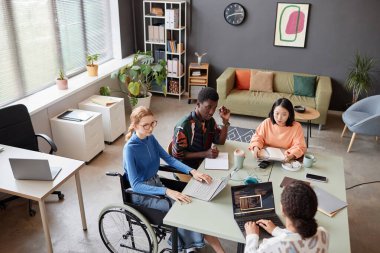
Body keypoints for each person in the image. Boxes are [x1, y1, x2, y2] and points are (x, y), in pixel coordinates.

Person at [123, 106, 225, 253]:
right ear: (135, 125)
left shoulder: (150, 138)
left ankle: (202, 245)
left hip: (157, 184)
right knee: (182, 207)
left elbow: (169, 159)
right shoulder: (130, 149)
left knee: (191, 201)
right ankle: (188, 245)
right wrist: (167, 191)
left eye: (153, 123)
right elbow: (136, 185)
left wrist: (192, 172)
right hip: (142, 195)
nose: (150, 129)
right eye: (145, 125)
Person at [244, 181, 329, 253]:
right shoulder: (323, 233)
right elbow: (296, 240)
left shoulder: (271, 246)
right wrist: (276, 231)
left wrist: (252, 236)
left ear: (283, 210)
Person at [172, 87, 231, 168]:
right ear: (198, 104)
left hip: (205, 162)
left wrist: (225, 122)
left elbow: (220, 141)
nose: (212, 112)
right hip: (187, 168)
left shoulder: (210, 121)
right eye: (208, 107)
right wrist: (205, 154)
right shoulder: (183, 126)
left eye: (214, 108)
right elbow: (178, 155)